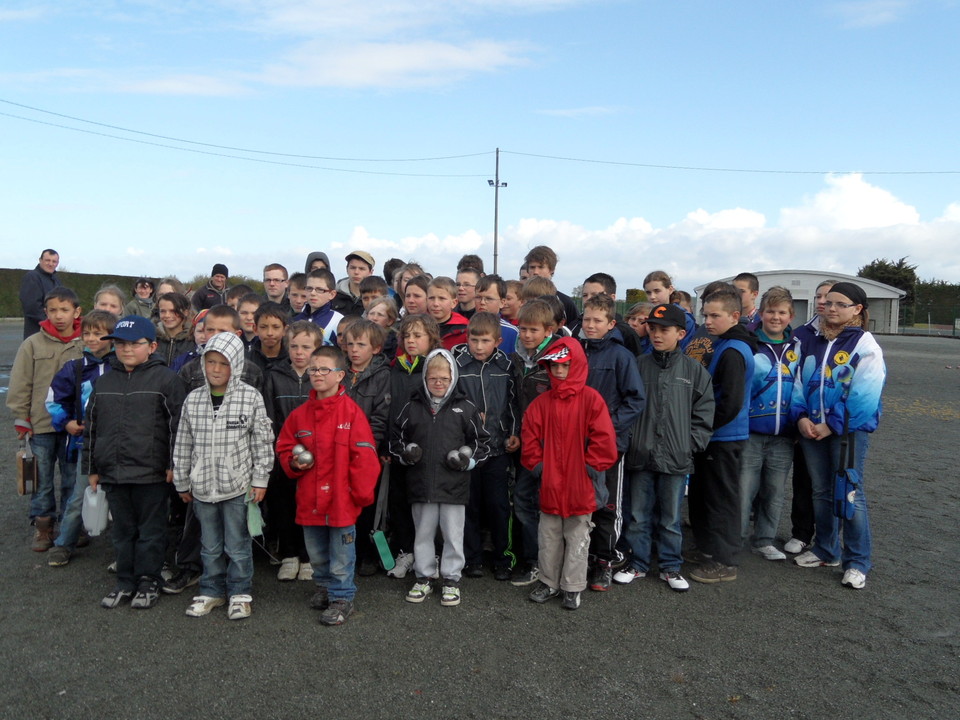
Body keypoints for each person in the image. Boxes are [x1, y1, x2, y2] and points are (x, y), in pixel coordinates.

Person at [83, 315, 186, 609]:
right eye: (119, 343)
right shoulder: (103, 382)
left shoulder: (166, 379)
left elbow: (177, 426)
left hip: (151, 473)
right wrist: (91, 467)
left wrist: (173, 463)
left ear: (152, 346)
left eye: (134, 344)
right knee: (122, 532)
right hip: (113, 473)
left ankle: (149, 580)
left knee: (151, 532)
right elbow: (91, 427)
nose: (126, 349)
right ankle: (125, 582)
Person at [276, 346, 381, 625]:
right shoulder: (300, 414)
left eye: (324, 369)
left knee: (342, 553)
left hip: (341, 500)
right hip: (310, 499)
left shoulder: (352, 412)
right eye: (313, 369)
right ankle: (324, 588)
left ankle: (342, 596)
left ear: (340, 375)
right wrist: (294, 463)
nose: (317, 374)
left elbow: (365, 455)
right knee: (317, 553)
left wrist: (356, 494)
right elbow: (285, 446)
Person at [790, 282, 884, 590]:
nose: (831, 308)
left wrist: (832, 423)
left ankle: (857, 561)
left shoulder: (865, 345)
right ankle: (825, 549)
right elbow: (797, 382)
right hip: (811, 429)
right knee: (821, 491)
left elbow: (865, 394)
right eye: (828, 303)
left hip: (845, 432)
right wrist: (802, 416)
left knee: (849, 492)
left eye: (840, 304)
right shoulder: (811, 339)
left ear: (856, 310)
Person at [173, 332, 274, 620]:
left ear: (237, 365)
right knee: (210, 545)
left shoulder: (250, 397)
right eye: (210, 362)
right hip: (203, 487)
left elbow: (261, 442)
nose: (215, 369)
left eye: (223, 363)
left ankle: (240, 592)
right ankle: (211, 591)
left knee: (238, 544)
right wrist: (182, 480)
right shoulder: (193, 399)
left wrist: (260, 479)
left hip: (237, 487)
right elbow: (183, 443)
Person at [616, 303, 714, 592]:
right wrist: (632, 441)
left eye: (665, 330)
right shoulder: (637, 365)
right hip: (640, 455)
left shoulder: (694, 371)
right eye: (653, 329)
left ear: (681, 333)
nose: (657, 335)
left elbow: (705, 412)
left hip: (676, 457)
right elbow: (626, 405)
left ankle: (671, 567)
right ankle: (638, 564)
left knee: (671, 518)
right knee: (638, 515)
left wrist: (689, 445)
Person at [522, 337, 618, 611]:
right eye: (555, 367)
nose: (560, 372)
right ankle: (549, 581)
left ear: (576, 365)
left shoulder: (591, 400)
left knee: (578, 538)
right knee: (549, 537)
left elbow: (604, 439)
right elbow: (529, 437)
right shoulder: (542, 403)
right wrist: (538, 466)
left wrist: (591, 466)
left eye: (565, 365)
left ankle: (572, 586)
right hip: (550, 485)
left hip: (581, 486)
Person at [391, 349, 490, 607]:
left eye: (444, 378)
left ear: (453, 378)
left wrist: (467, 462)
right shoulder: (411, 407)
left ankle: (451, 579)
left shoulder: (466, 408)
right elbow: (395, 440)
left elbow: (481, 442)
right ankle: (424, 576)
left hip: (454, 485)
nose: (438, 383)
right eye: (433, 378)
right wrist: (406, 455)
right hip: (421, 484)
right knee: (422, 533)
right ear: (424, 378)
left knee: (453, 534)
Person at [686, 287, 757, 584]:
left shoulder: (732, 351)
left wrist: (702, 428)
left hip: (724, 437)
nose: (708, 321)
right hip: (715, 435)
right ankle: (708, 549)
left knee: (721, 499)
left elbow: (729, 402)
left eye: (715, 315)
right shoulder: (726, 344)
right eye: (706, 315)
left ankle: (724, 561)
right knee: (704, 496)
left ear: (735, 316)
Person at [7, 287, 83, 550]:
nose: (59, 316)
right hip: (41, 425)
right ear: (45, 312)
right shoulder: (32, 344)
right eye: (53, 310)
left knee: (73, 477)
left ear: (77, 312)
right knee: (42, 479)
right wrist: (21, 417)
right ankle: (43, 526)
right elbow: (20, 382)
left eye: (64, 310)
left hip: (74, 425)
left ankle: (72, 525)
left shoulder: (84, 343)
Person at [578, 294, 645, 591]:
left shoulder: (621, 356)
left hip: (609, 445)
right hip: (576, 442)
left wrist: (606, 427)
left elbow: (635, 399)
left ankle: (604, 560)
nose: (590, 325)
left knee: (606, 504)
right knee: (580, 502)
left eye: (597, 321)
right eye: (586, 319)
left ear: (610, 324)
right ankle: (581, 557)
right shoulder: (576, 350)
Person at [45, 310, 117, 566]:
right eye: (87, 333)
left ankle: (123, 550)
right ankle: (64, 543)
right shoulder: (73, 368)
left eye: (98, 333)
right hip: (85, 445)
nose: (91, 338)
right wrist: (66, 422)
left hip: (117, 445)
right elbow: (54, 400)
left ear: (112, 336)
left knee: (121, 499)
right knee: (78, 497)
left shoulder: (121, 366)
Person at [454, 312, 519, 581]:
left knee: (498, 505)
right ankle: (472, 558)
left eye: (485, 340)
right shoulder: (456, 364)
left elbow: (514, 404)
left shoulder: (507, 365)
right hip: (467, 450)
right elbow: (450, 402)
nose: (478, 346)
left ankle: (504, 557)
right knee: (469, 506)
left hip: (497, 449)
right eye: (474, 339)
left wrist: (513, 433)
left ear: (498, 341)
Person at [740, 287, 800, 561]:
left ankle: (764, 539)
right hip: (751, 433)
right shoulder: (749, 343)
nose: (776, 317)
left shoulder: (798, 347)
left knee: (774, 492)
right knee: (744, 490)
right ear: (761, 313)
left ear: (791, 315)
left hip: (784, 435)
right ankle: (736, 539)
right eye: (771, 311)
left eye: (782, 312)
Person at [262, 321, 325, 582]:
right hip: (285, 453)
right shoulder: (274, 375)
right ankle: (289, 554)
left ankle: (308, 556)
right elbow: (267, 415)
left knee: (310, 505)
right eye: (295, 346)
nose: (300, 352)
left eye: (306, 347)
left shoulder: (321, 375)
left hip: (316, 454)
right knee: (285, 503)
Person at [509, 299, 563, 586]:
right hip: (525, 444)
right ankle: (532, 561)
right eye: (522, 329)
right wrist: (516, 430)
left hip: (552, 445)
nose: (527, 335)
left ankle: (553, 562)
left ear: (549, 330)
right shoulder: (516, 358)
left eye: (533, 330)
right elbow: (516, 402)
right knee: (524, 500)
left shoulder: (559, 360)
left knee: (551, 505)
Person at [384, 314, 442, 580]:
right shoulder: (393, 368)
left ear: (431, 339)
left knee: (428, 503)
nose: (411, 341)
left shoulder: (435, 369)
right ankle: (406, 551)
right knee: (399, 502)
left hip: (428, 448)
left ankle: (433, 554)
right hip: (397, 447)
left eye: (418, 336)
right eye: (407, 336)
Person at [784, 279, 835, 555]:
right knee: (803, 480)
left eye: (828, 296)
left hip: (835, 425)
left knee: (832, 484)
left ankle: (828, 540)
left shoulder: (852, 338)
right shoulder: (801, 334)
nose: (822, 301)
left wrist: (833, 422)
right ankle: (801, 532)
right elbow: (792, 377)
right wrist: (799, 418)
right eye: (819, 296)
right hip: (805, 421)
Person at [342, 319, 391, 575]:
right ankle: (346, 554)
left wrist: (365, 449)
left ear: (375, 348)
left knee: (368, 506)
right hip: (339, 452)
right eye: (350, 344)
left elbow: (381, 417)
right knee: (343, 505)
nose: (354, 350)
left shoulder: (382, 375)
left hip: (367, 452)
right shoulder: (340, 372)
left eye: (361, 344)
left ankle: (367, 554)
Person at [570, 273, 644, 357]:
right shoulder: (575, 326)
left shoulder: (626, 333)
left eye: (595, 295)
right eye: (585, 295)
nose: (588, 299)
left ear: (612, 297)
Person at [523, 245, 579, 329]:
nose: (535, 272)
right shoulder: (519, 297)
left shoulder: (565, 302)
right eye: (532, 267)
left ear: (552, 270)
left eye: (541, 267)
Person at [643, 270, 697, 350]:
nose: (652, 296)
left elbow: (684, 350)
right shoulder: (649, 315)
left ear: (670, 289)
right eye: (648, 292)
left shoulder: (684, 318)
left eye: (657, 291)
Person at [293, 268, 344, 345]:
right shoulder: (295, 320)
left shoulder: (338, 321)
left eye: (320, 289)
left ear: (332, 294)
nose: (313, 293)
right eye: (309, 288)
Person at [19, 249, 62, 338]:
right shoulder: (32, 277)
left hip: (54, 332)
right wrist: (51, 324)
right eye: (47, 260)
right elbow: (32, 307)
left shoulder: (56, 280)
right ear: (40, 260)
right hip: (37, 333)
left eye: (54, 261)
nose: (50, 264)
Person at [473, 274, 519, 352]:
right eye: (478, 297)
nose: (482, 302)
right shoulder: (465, 328)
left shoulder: (512, 332)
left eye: (489, 298)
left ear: (502, 302)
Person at [427, 276, 469, 350]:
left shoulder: (465, 329)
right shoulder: (419, 326)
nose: (435, 303)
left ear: (454, 303)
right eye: (431, 298)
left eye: (442, 298)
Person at [155, 292, 195, 366]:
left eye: (173, 311)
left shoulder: (194, 340)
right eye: (163, 311)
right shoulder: (152, 338)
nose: (167, 315)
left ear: (185, 312)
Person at [248, 302, 289, 372]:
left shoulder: (291, 360)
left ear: (285, 330)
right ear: (255, 329)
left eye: (276, 327)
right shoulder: (247, 360)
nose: (270, 333)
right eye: (263, 327)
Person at [333, 251, 374, 317]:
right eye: (353, 268)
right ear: (347, 269)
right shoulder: (333, 295)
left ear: (370, 272)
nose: (356, 272)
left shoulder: (376, 297)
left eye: (361, 269)